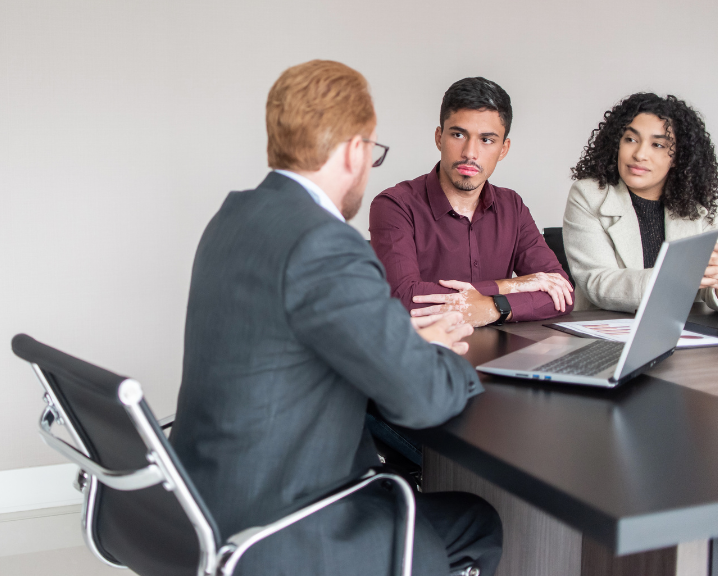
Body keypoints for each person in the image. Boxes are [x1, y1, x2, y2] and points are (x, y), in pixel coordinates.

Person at [169, 60, 503, 576]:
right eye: (373, 151)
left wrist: (400, 338)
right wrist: (437, 353)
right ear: (354, 150)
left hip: (207, 502)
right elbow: (423, 399)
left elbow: (297, 334)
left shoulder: (233, 217)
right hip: (286, 526)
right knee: (478, 521)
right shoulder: (325, 243)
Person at [370, 77, 573, 328]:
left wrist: (492, 307)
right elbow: (405, 299)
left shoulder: (512, 206)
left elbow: (562, 293)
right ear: (439, 137)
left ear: (503, 149)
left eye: (486, 140)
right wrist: (509, 285)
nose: (469, 152)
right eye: (458, 134)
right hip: (427, 358)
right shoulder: (394, 205)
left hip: (503, 357)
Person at [563, 92, 718, 313]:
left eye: (658, 145)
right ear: (617, 143)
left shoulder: (696, 201)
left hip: (681, 329)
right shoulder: (588, 195)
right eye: (630, 139)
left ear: (678, 157)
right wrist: (678, 274)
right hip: (607, 331)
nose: (640, 154)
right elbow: (599, 284)